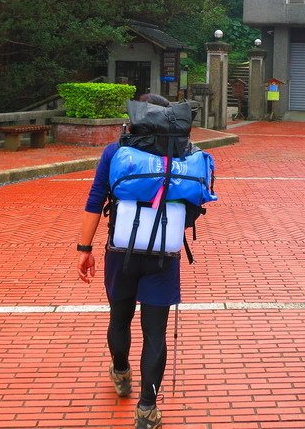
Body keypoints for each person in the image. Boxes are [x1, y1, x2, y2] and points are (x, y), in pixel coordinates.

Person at [77, 93, 187, 429]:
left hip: (120, 251)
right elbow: (192, 207)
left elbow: (96, 198)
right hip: (163, 255)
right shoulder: (181, 152)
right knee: (155, 333)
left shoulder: (115, 152)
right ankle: (147, 409)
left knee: (120, 317)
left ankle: (121, 372)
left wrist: (84, 248)